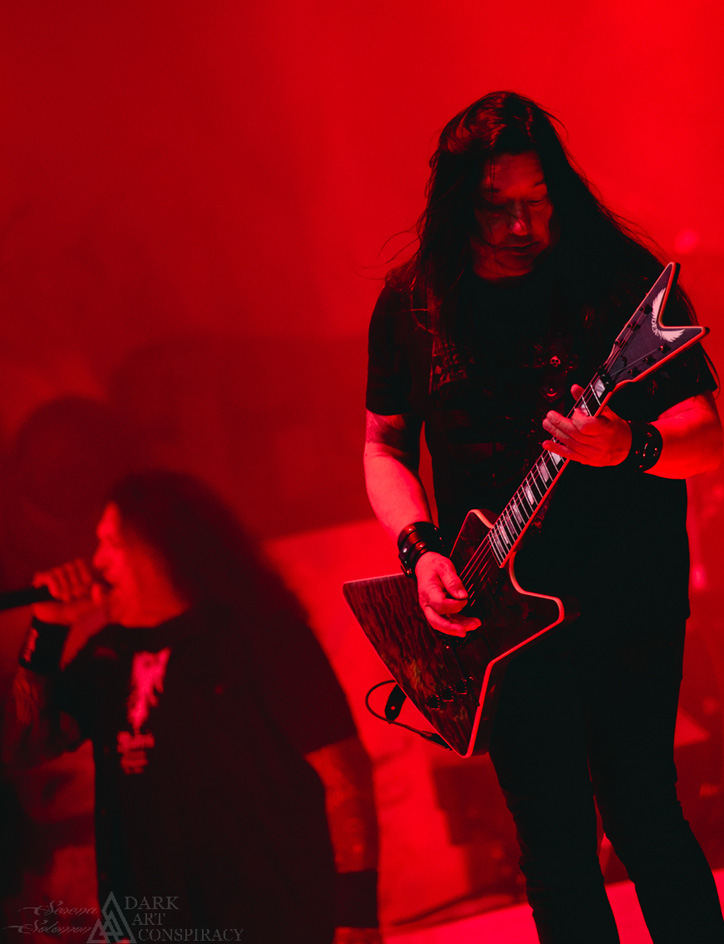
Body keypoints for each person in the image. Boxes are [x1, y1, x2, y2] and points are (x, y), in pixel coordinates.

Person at [363, 91, 724, 943]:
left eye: (539, 199)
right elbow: (384, 447)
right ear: (459, 203)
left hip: (629, 594)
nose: (523, 225)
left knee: (642, 809)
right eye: (498, 206)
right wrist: (419, 551)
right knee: (554, 845)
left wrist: (629, 445)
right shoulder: (414, 303)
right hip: (500, 614)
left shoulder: (617, 279)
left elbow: (708, 436)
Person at [3, 470, 381, 944]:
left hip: (275, 924)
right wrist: (47, 630)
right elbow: (22, 747)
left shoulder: (264, 639)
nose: (97, 562)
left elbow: (343, 775)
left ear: (164, 548)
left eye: (112, 543)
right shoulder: (108, 657)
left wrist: (356, 916)